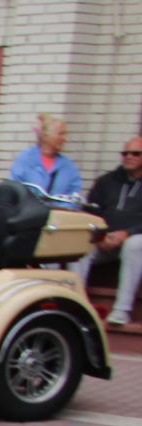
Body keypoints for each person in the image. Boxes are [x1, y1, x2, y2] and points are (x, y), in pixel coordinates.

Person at [74, 137, 142, 326]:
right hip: (106, 240)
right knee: (79, 246)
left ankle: (121, 310)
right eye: (125, 153)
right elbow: (91, 212)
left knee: (134, 245)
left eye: (135, 153)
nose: (129, 157)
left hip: (135, 240)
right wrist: (100, 235)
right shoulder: (106, 182)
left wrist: (127, 233)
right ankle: (78, 304)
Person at [8, 113, 82, 203]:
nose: (65, 139)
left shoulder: (69, 167)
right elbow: (13, 192)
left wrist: (59, 209)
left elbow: (74, 199)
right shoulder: (25, 160)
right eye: (61, 134)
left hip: (57, 212)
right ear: (46, 136)